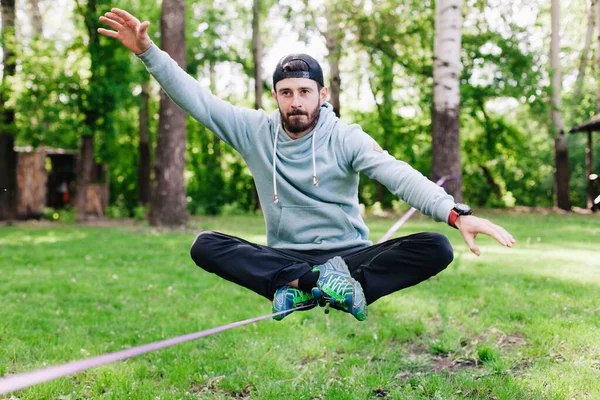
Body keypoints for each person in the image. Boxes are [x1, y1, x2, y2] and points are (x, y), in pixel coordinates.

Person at [98, 8, 516, 322]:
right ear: (275, 96)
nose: (295, 101)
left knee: (435, 247)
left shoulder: (345, 136)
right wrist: (149, 53)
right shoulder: (254, 132)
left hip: (349, 257)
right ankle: (311, 284)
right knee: (205, 244)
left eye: (304, 91)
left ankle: (336, 289)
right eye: (285, 92)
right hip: (285, 257)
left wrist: (454, 213)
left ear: (321, 92)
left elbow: (397, 174)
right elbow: (199, 102)